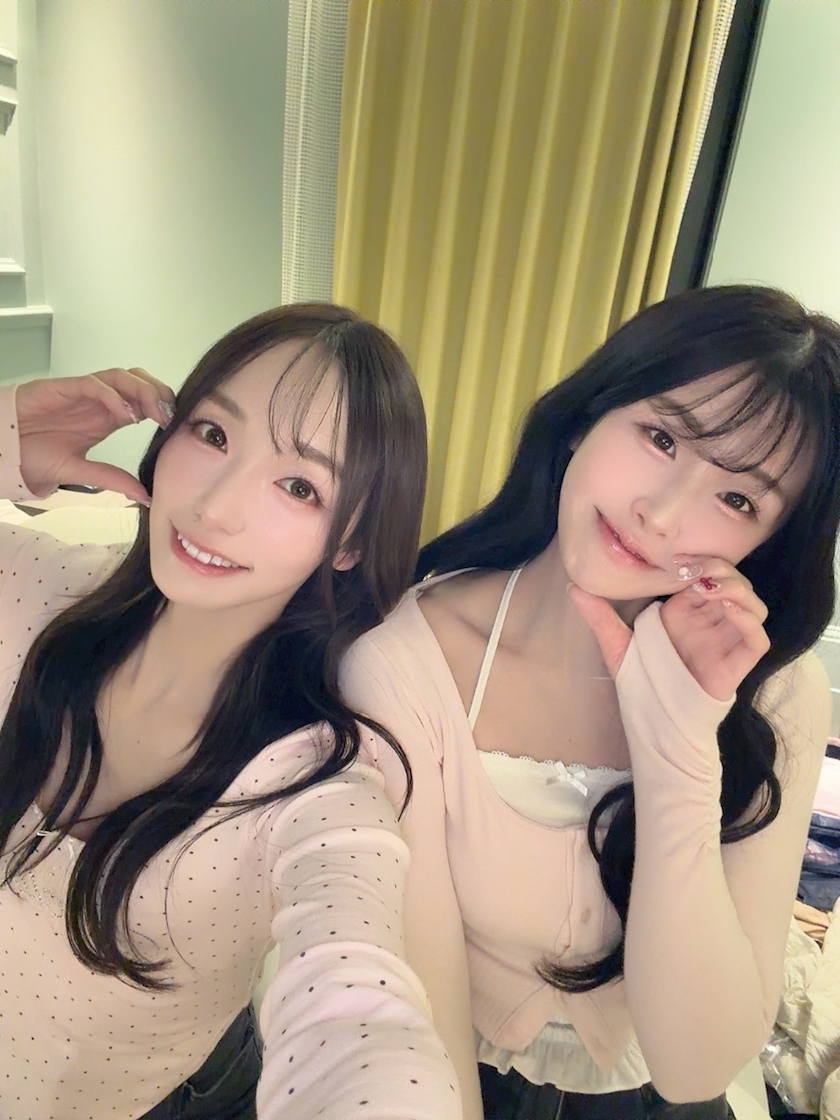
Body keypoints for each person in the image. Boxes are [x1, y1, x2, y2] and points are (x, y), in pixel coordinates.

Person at [339, 285, 840, 1120]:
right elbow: (424, 1009)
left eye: (738, 500)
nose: (662, 515)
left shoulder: (779, 695)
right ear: (586, 416)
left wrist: (680, 743)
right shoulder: (406, 660)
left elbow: (695, 1066)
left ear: (767, 544)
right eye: (661, 437)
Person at [0, 304, 463, 1120]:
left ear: (350, 545)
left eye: (299, 486)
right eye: (213, 434)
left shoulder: (313, 786)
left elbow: (356, 1006)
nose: (215, 506)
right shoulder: (36, 587)